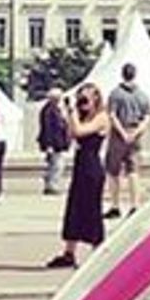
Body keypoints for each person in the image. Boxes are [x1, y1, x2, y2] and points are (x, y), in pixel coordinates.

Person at [47, 83, 110, 269]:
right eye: (80, 99)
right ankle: (69, 253)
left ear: (96, 99)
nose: (82, 103)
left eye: (86, 99)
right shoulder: (81, 117)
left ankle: (98, 251)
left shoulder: (102, 117)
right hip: (80, 166)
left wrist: (73, 113)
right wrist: (71, 114)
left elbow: (79, 132)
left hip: (92, 168)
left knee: (92, 210)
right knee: (74, 208)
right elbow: (70, 135)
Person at [104, 64, 150, 219]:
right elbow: (148, 117)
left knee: (113, 171)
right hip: (135, 132)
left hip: (119, 134)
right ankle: (134, 205)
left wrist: (123, 133)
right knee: (133, 171)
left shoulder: (115, 94)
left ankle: (115, 205)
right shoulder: (142, 95)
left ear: (122, 74)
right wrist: (137, 132)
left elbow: (112, 115)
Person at [38, 88, 71, 195]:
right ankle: (52, 185)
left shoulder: (54, 109)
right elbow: (47, 128)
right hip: (54, 143)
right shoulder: (48, 110)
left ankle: (50, 184)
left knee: (54, 164)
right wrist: (49, 145)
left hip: (58, 142)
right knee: (57, 165)